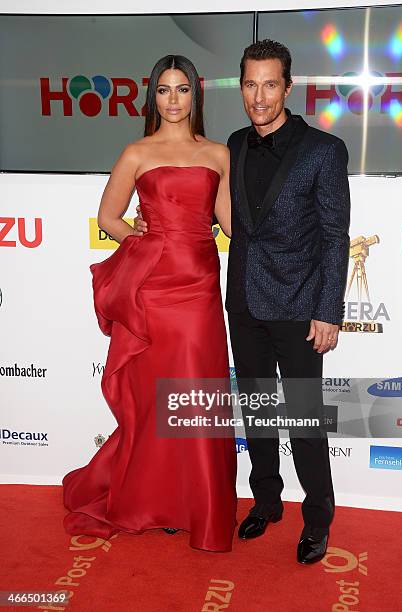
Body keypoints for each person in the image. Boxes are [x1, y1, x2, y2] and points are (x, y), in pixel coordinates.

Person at [135, 40, 350, 564]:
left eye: (270, 84)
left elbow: (335, 236)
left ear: (288, 87)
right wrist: (146, 226)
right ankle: (267, 501)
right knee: (256, 416)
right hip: (244, 304)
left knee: (302, 421)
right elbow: (205, 209)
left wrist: (328, 310)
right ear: (241, 88)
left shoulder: (323, 150)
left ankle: (317, 518)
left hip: (301, 310)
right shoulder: (230, 144)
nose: (259, 96)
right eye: (250, 85)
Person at [62, 55, 237, 553]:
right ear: (152, 97)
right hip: (153, 292)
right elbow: (108, 217)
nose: (174, 99)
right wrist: (141, 238)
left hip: (200, 286)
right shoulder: (137, 152)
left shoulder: (219, 154)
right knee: (156, 397)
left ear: (195, 95)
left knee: (196, 398)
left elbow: (228, 222)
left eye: (182, 90)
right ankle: (151, 500)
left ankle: (197, 507)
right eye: (164, 90)